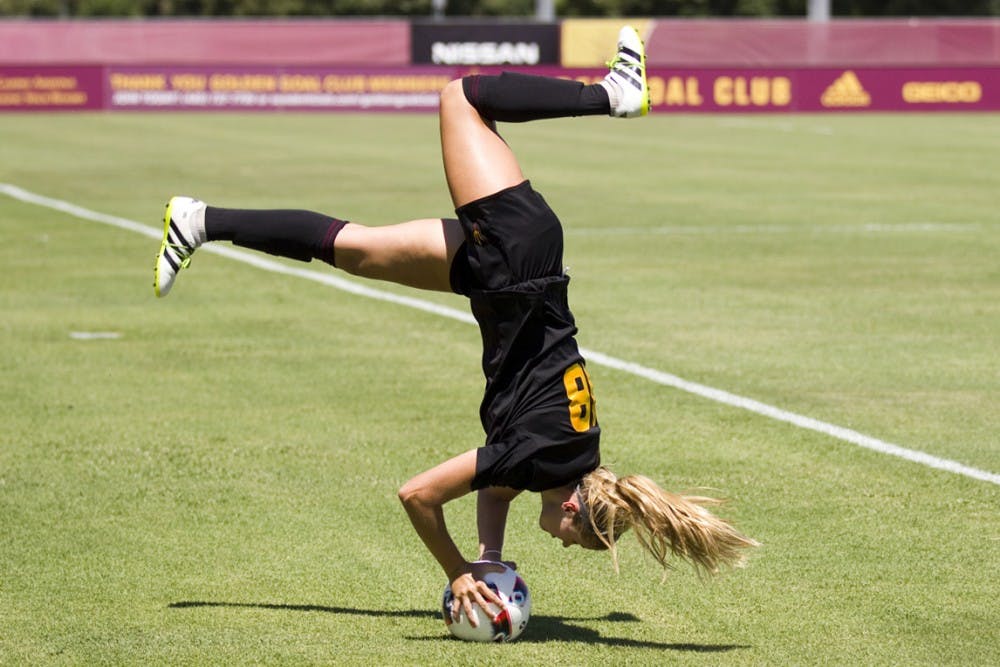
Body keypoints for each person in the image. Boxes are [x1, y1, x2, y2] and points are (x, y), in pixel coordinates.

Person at [154, 27, 758, 627]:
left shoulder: (575, 454)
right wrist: (457, 570)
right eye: (576, 541)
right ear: (573, 508)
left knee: (355, 249)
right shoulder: (535, 457)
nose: (564, 547)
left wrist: (490, 559)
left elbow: (498, 486)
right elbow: (417, 495)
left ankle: (201, 221)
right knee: (461, 96)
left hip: (513, 273)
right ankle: (613, 93)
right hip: (511, 261)